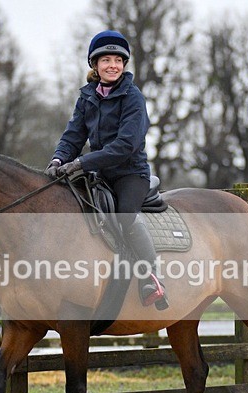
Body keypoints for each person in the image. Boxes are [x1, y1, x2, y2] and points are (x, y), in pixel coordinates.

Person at [45, 30, 168, 310]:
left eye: (118, 60)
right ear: (95, 65)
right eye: (106, 60)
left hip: (130, 174)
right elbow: (73, 136)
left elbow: (126, 145)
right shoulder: (87, 97)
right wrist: (57, 160)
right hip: (99, 174)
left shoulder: (133, 98)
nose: (113, 65)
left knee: (125, 215)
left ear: (124, 64)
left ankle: (153, 279)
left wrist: (81, 163)